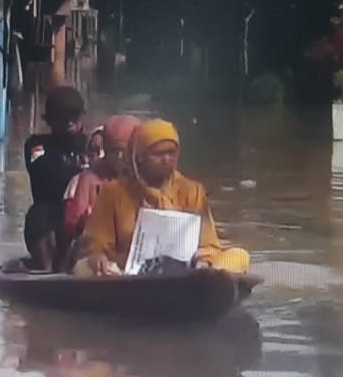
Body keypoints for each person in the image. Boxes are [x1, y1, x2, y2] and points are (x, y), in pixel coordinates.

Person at [73, 118, 250, 277]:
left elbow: (208, 243)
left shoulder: (192, 191)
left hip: (189, 276)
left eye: (171, 153)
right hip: (125, 276)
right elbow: (97, 241)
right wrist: (99, 258)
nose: (167, 159)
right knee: (83, 268)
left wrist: (203, 264)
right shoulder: (113, 192)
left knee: (239, 255)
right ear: (140, 158)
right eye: (158, 154)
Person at [60, 115, 140, 270]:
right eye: (113, 151)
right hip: (95, 252)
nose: (119, 157)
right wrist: (88, 219)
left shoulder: (148, 177)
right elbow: (73, 226)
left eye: (124, 151)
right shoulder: (89, 178)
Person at [23, 86, 88, 272]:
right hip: (48, 220)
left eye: (73, 116)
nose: (69, 122)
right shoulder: (36, 145)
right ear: (51, 120)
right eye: (62, 116)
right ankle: (46, 271)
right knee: (39, 214)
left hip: (82, 219)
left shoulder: (91, 144)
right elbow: (46, 172)